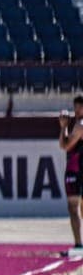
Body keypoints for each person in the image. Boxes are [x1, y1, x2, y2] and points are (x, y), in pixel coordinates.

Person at [58, 95, 83, 255]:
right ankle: (79, 245)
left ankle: (79, 245)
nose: (76, 110)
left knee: (74, 207)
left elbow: (65, 145)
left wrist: (63, 127)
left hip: (77, 169)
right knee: (76, 207)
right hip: (77, 168)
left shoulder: (80, 125)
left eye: (79, 107)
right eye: (76, 107)